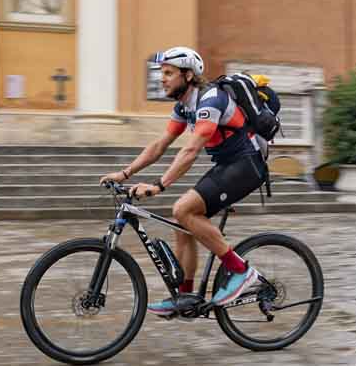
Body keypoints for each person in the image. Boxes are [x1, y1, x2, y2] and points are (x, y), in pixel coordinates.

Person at [100, 47, 266, 316]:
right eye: (161, 73)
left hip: (247, 165)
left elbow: (191, 150)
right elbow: (160, 145)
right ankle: (185, 298)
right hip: (227, 165)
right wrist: (125, 173)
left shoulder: (211, 99)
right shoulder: (183, 106)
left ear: (188, 76)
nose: (162, 78)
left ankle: (242, 271)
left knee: (183, 209)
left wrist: (158, 185)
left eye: (168, 73)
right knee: (181, 222)